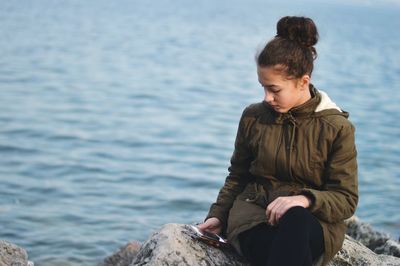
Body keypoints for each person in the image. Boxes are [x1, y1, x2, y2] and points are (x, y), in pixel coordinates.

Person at [197, 16, 358, 266]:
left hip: (312, 225)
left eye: (274, 89)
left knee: (296, 221)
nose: (267, 98)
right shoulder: (253, 117)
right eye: (263, 87)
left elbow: (346, 199)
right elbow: (238, 175)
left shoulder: (336, 128)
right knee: (286, 252)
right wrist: (218, 215)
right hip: (255, 219)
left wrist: (304, 199)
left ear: (303, 81)